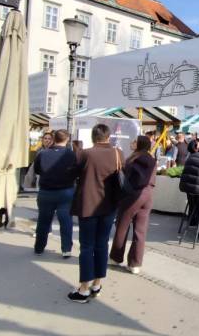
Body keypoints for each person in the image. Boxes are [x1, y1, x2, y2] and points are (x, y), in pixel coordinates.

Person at [68, 124, 122, 304]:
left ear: (93, 137)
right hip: (109, 206)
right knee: (102, 244)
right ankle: (97, 284)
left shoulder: (85, 154)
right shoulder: (118, 153)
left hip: (88, 205)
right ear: (108, 137)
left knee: (87, 246)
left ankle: (83, 289)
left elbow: (72, 174)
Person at [109, 135, 157, 274]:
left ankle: (116, 257)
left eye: (135, 141)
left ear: (139, 144)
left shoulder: (133, 159)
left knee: (122, 226)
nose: (132, 142)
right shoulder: (152, 159)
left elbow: (126, 179)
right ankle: (135, 264)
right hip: (148, 195)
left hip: (133, 195)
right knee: (140, 231)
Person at [32, 129, 77, 258]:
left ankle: (39, 247)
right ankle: (66, 249)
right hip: (65, 191)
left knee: (43, 221)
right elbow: (76, 172)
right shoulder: (71, 155)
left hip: (46, 191)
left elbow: (37, 170)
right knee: (66, 221)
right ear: (67, 139)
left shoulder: (42, 153)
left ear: (54, 139)